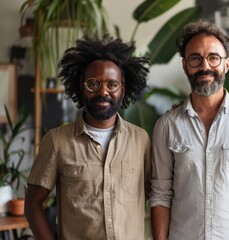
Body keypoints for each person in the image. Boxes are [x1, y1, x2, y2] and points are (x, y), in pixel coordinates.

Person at [149, 19, 229, 240]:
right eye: (195, 58)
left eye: (213, 58)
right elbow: (160, 194)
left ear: (226, 64)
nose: (205, 66)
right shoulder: (167, 125)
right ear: (185, 65)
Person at [25, 35, 151, 240]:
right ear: (81, 86)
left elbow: (158, 197)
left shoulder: (141, 140)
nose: (103, 91)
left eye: (112, 84)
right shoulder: (57, 141)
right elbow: (32, 204)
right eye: (93, 83)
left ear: (123, 90)